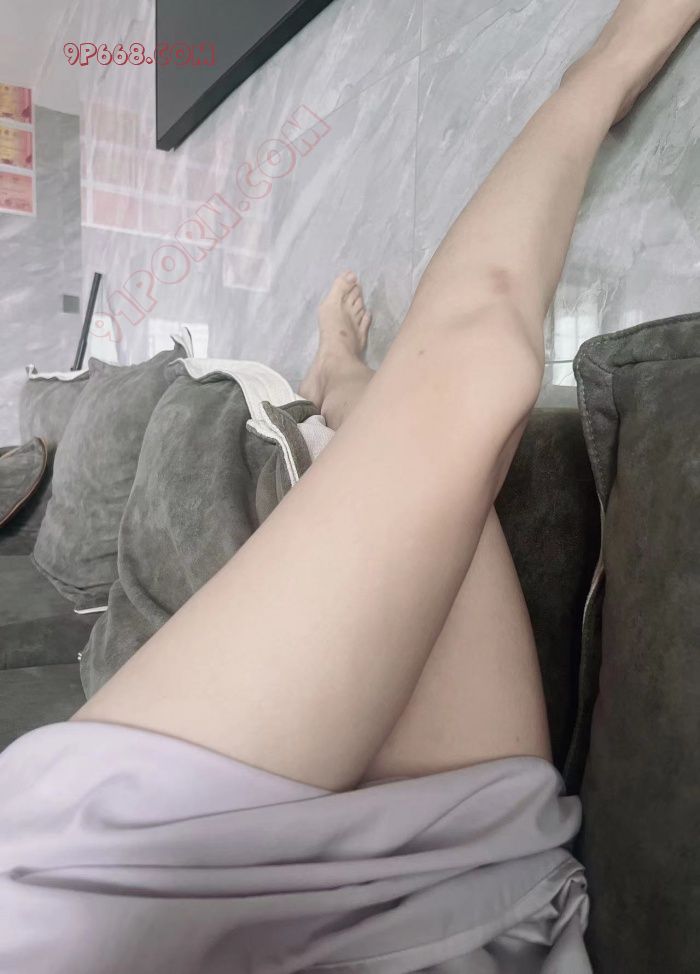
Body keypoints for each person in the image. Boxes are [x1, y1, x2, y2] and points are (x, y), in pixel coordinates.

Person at [1, 1, 698, 971]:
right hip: (469, 912)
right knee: (455, 403)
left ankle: (599, 75)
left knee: (475, 376)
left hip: (116, 899)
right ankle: (342, 379)